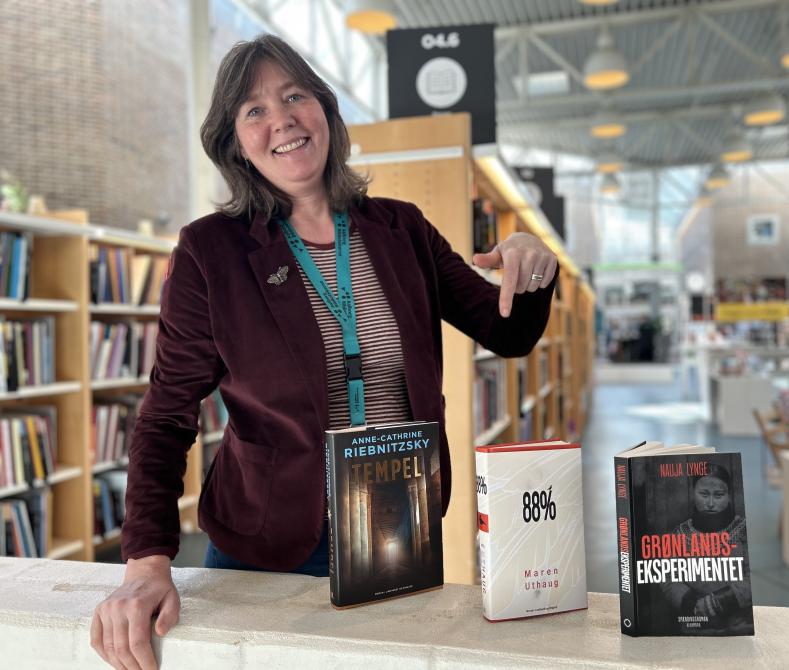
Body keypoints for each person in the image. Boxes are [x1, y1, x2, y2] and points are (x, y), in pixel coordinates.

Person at [90, 33, 557, 670]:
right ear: (234, 142)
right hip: (272, 539)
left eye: (294, 96)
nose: (280, 119)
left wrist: (533, 265)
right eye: (253, 110)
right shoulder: (211, 251)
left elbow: (509, 333)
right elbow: (168, 414)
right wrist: (146, 563)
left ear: (325, 112)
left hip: (402, 526)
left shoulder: (402, 229)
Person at [660, 464, 752, 635]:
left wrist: (720, 601)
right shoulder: (679, 534)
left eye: (718, 495)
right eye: (703, 494)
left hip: (740, 625)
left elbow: (753, 577)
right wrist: (693, 605)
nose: (710, 503)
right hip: (694, 627)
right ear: (693, 493)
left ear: (729, 496)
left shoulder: (744, 530)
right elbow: (667, 577)